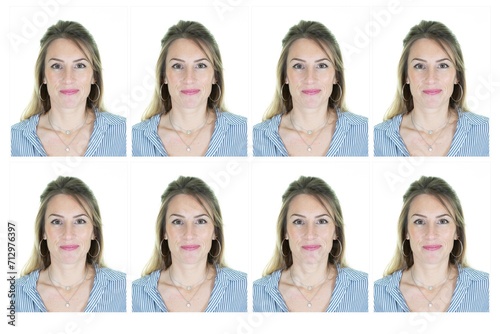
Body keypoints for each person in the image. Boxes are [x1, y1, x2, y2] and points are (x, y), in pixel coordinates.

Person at [11, 20, 126, 157]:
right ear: (43, 76)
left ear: (94, 76)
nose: (68, 78)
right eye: (57, 66)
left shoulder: (123, 132)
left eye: (79, 66)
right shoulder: (12, 140)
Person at [374, 20, 489, 156]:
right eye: (419, 66)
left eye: (442, 66)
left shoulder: (487, 133)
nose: (431, 78)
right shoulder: (376, 139)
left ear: (457, 76)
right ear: (406, 76)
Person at [253, 20, 367, 157]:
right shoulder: (255, 140)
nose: (310, 78)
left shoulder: (365, 133)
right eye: (299, 66)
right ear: (285, 76)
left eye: (321, 66)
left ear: (336, 76)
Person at [374, 176, 489, 312]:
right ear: (406, 232)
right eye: (419, 222)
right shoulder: (376, 295)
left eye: (442, 221)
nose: (431, 234)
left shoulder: (487, 289)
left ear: (457, 232)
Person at [132, 20, 247, 156]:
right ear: (164, 76)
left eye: (200, 66)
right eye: (177, 66)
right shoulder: (135, 139)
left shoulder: (244, 133)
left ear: (215, 76)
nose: (189, 78)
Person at [132, 176, 247, 312]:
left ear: (215, 231)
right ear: (164, 232)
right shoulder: (134, 296)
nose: (189, 234)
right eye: (178, 222)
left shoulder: (244, 289)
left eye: (200, 221)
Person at [253, 176, 368, 312]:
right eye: (299, 222)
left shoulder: (365, 289)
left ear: (336, 231)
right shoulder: (255, 295)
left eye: (321, 221)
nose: (310, 234)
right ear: (285, 232)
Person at [14, 176, 126, 312]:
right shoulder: (13, 296)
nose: (68, 234)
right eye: (57, 222)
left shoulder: (124, 289)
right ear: (43, 231)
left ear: (94, 232)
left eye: (79, 221)